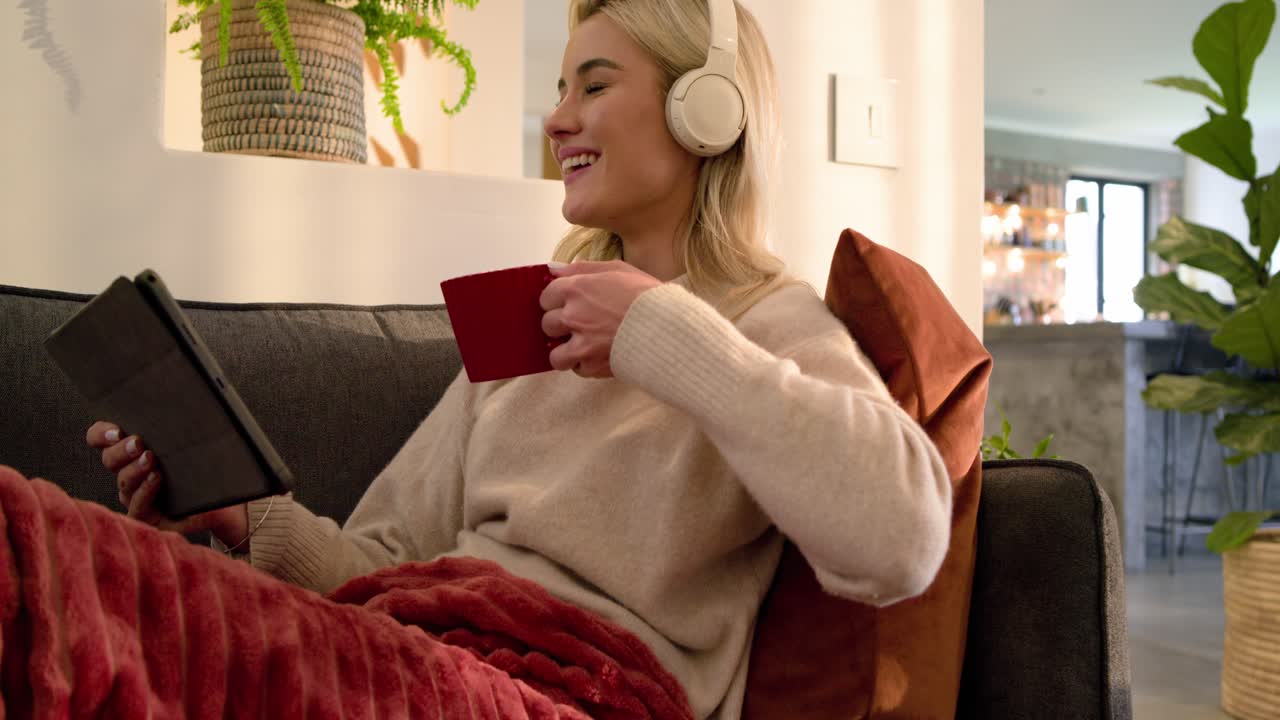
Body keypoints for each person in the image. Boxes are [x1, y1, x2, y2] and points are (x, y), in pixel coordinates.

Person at [85, 1, 951, 717]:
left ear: (708, 109)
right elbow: (385, 568)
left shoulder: (769, 324)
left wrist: (658, 332)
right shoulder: (533, 317)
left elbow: (902, 539)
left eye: (595, 85)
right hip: (423, 656)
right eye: (559, 89)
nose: (558, 118)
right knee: (70, 560)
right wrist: (252, 522)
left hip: (575, 690)